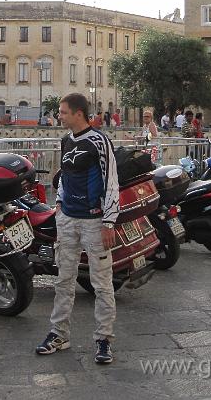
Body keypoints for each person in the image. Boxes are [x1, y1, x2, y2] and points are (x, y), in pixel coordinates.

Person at [36, 93, 119, 364]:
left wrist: (109, 221)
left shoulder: (99, 141)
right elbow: (64, 174)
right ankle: (59, 333)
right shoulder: (65, 140)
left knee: (102, 284)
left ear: (78, 113)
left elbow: (111, 181)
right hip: (68, 219)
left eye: (63, 112)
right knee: (63, 280)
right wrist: (59, 201)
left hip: (95, 221)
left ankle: (103, 339)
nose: (59, 116)